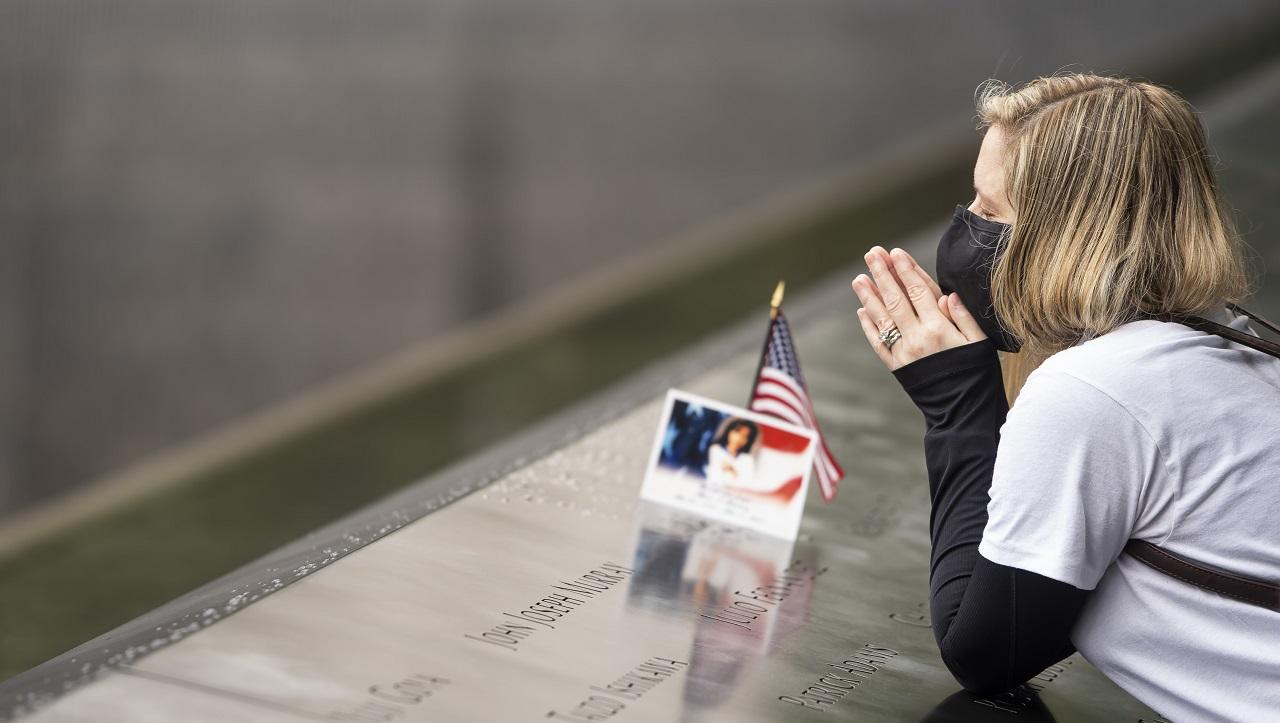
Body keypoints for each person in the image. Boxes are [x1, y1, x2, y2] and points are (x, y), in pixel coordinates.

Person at [849, 72, 1279, 722]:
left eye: (990, 210)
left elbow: (987, 652)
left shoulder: (1094, 389)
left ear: (1065, 232)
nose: (966, 227)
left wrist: (957, 404)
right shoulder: (1231, 334)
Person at [703, 418, 758, 489]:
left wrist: (731, 469)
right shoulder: (716, 449)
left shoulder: (747, 459)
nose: (739, 438)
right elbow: (713, 474)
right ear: (729, 432)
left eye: (745, 436)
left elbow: (748, 482)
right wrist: (735, 474)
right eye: (737, 432)